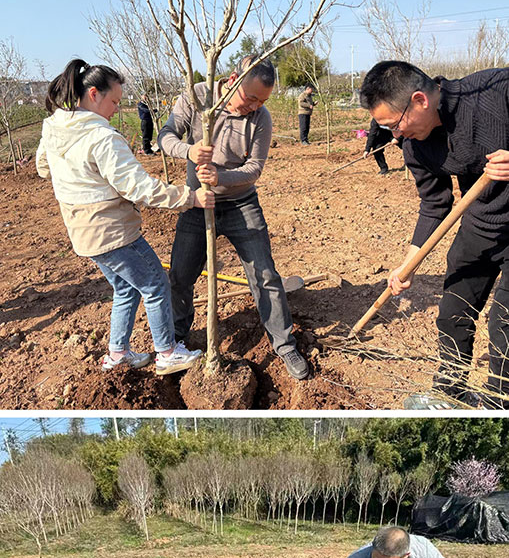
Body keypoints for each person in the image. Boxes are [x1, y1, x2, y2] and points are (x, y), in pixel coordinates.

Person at [362, 61, 509, 408]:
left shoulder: (504, 89)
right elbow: (435, 203)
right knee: (453, 312)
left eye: (394, 124)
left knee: (508, 327)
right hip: (480, 224)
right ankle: (450, 390)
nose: (395, 135)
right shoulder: (415, 146)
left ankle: (497, 406)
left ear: (420, 100)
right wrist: (408, 264)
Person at [36, 59, 210, 377]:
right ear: (93, 94)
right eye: (114, 101)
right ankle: (167, 352)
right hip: (112, 230)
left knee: (125, 287)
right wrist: (189, 198)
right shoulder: (101, 137)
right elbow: (138, 187)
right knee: (155, 284)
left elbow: (43, 168)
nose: (117, 109)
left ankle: (118, 354)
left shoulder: (54, 126)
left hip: (81, 231)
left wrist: (75, 177)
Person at [158, 57, 311, 380]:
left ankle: (284, 344)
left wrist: (221, 177)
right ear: (232, 80)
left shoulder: (261, 118)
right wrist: (188, 151)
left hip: (241, 203)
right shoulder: (199, 97)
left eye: (262, 101)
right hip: (198, 202)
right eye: (250, 98)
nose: (254, 106)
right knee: (181, 276)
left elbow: (254, 168)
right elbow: (166, 135)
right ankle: (176, 341)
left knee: (265, 276)